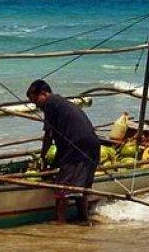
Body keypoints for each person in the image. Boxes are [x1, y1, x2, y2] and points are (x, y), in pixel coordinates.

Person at [26, 79, 100, 224]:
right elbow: (60, 140)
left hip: (78, 146)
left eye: (36, 101)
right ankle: (83, 219)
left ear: (43, 94)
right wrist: (54, 163)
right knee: (82, 187)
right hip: (92, 145)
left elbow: (48, 135)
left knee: (61, 188)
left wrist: (42, 157)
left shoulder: (50, 103)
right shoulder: (60, 102)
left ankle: (60, 223)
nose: (37, 105)